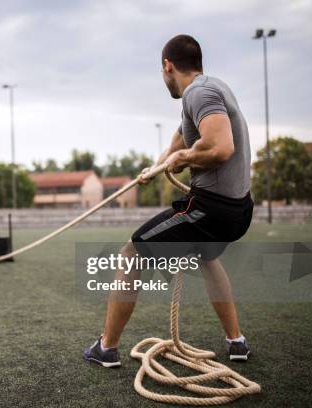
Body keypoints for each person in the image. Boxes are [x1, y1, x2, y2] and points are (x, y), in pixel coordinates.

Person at [83, 34, 254, 368]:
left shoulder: (197, 93)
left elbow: (221, 148)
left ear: (168, 66)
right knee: (207, 257)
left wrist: (185, 158)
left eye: (162, 73)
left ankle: (107, 348)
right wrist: (158, 164)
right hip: (238, 210)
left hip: (211, 209)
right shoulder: (212, 88)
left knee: (131, 252)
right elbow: (180, 137)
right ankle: (237, 342)